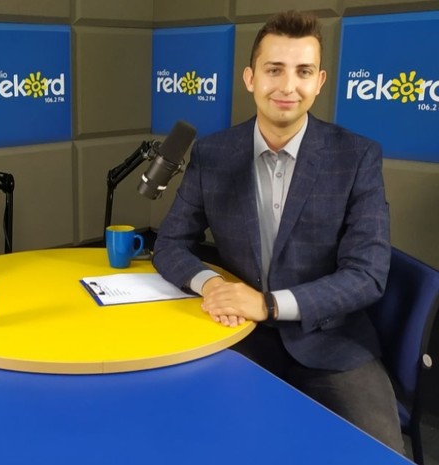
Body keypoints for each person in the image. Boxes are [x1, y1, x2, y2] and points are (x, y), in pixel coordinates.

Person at [152, 11, 403, 451]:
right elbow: (170, 244)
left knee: (378, 454)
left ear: (319, 82)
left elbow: (367, 275)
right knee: (192, 441)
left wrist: (267, 304)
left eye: (303, 72)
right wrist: (212, 285)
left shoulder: (357, 157)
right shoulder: (213, 154)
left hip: (332, 343)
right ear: (250, 78)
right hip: (238, 336)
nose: (288, 86)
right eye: (274, 70)